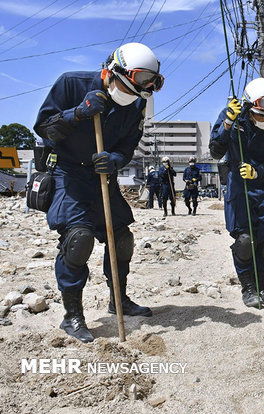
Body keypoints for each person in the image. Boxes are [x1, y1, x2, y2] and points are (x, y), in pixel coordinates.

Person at [33, 42, 164, 343]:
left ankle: (119, 300)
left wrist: (116, 159)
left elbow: (129, 142)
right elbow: (43, 127)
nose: (131, 98)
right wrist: (76, 114)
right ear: (111, 72)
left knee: (122, 239)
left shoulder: (137, 102)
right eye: (129, 89)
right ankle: (73, 316)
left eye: (138, 93)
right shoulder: (71, 83)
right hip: (68, 173)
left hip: (103, 176)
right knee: (79, 239)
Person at [209, 77, 264, 308]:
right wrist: (227, 125)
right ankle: (249, 288)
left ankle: (262, 286)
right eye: (262, 115)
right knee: (245, 240)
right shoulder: (232, 116)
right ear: (249, 107)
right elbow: (215, 151)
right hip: (238, 186)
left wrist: (259, 171)